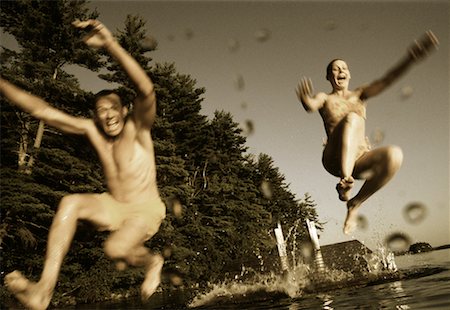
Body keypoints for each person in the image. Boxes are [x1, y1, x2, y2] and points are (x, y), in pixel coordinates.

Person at [1, 20, 166, 310]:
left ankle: (153, 261)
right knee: (70, 203)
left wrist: (110, 45)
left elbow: (146, 90)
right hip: (113, 205)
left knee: (115, 248)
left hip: (145, 209)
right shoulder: (93, 131)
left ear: (125, 110)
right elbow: (41, 110)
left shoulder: (138, 129)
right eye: (101, 111)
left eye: (113, 108)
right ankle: (43, 291)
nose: (108, 115)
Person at [296, 31, 439, 235]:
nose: (340, 71)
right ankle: (345, 183)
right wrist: (305, 99)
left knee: (394, 155)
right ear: (328, 77)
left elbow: (387, 80)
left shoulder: (360, 94)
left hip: (359, 159)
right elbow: (311, 105)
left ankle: (354, 203)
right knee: (353, 118)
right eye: (335, 69)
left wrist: (410, 59)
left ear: (350, 74)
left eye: (344, 68)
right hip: (333, 158)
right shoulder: (325, 98)